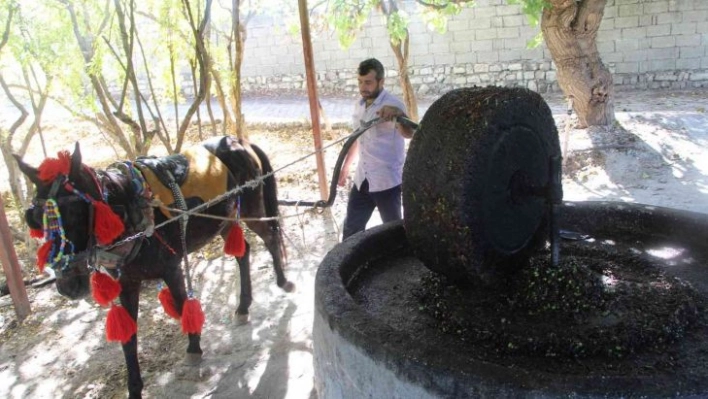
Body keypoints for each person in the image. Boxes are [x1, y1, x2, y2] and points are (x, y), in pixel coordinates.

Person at [338, 58, 415, 240]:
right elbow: (357, 139)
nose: (363, 87)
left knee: (395, 233)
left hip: (386, 181)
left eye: (368, 82)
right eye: (360, 82)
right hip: (362, 179)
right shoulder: (359, 105)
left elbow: (408, 132)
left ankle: (400, 266)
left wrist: (399, 115)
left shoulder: (394, 105)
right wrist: (346, 168)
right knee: (351, 230)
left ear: (381, 81)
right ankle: (350, 267)